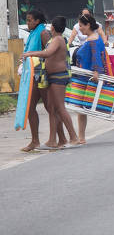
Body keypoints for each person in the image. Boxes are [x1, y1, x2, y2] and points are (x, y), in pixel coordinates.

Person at [75, 13, 114, 143]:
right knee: (84, 107)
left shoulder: (93, 39)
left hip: (91, 78)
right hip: (88, 76)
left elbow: (96, 57)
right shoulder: (92, 38)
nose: (79, 29)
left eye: (81, 26)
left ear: (88, 25)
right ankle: (81, 137)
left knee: (99, 105)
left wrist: (96, 72)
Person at [23, 16, 79, 148]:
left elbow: (48, 53)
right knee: (53, 109)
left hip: (58, 77)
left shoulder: (58, 39)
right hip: (52, 77)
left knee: (60, 108)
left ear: (52, 27)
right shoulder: (55, 39)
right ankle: (53, 140)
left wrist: (30, 54)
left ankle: (74, 137)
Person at [19, 9, 58, 151]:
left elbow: (50, 53)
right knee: (30, 107)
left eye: (30, 20)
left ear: (37, 21)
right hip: (33, 75)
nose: (28, 23)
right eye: (27, 20)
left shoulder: (43, 33)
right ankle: (35, 141)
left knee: (50, 108)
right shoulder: (33, 34)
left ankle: (55, 139)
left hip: (43, 75)